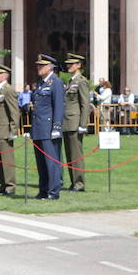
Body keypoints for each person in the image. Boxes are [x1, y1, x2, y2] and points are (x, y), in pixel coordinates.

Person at [29, 54, 66, 199]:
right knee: (41, 162)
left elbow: (58, 105)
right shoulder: (41, 83)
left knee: (51, 162)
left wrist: (57, 126)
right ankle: (43, 189)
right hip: (39, 128)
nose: (38, 68)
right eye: (38, 65)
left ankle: (53, 191)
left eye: (41, 65)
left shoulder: (55, 82)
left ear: (50, 67)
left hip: (49, 127)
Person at [0, 62, 20, 195]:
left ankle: (10, 185)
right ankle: (2, 183)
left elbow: (14, 111)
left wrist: (13, 130)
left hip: (4, 130)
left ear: (5, 76)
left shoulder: (8, 89)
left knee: (7, 160)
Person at [62, 53, 92, 192]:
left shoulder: (81, 81)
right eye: (68, 64)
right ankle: (74, 181)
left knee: (76, 154)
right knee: (69, 155)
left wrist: (83, 124)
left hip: (75, 122)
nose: (69, 66)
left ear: (79, 65)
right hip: (67, 122)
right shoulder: (71, 81)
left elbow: (85, 104)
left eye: (72, 64)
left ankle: (79, 183)